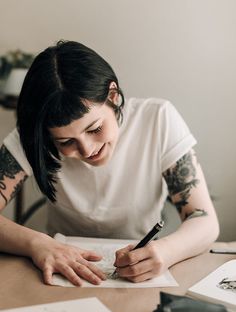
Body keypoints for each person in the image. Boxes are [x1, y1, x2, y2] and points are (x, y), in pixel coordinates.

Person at [0, 40, 219, 286]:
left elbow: (205, 222)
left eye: (95, 129)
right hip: (61, 270)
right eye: (65, 142)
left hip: (138, 275)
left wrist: (166, 251)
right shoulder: (33, 136)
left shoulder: (158, 119)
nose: (87, 149)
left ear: (113, 96)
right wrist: (36, 243)